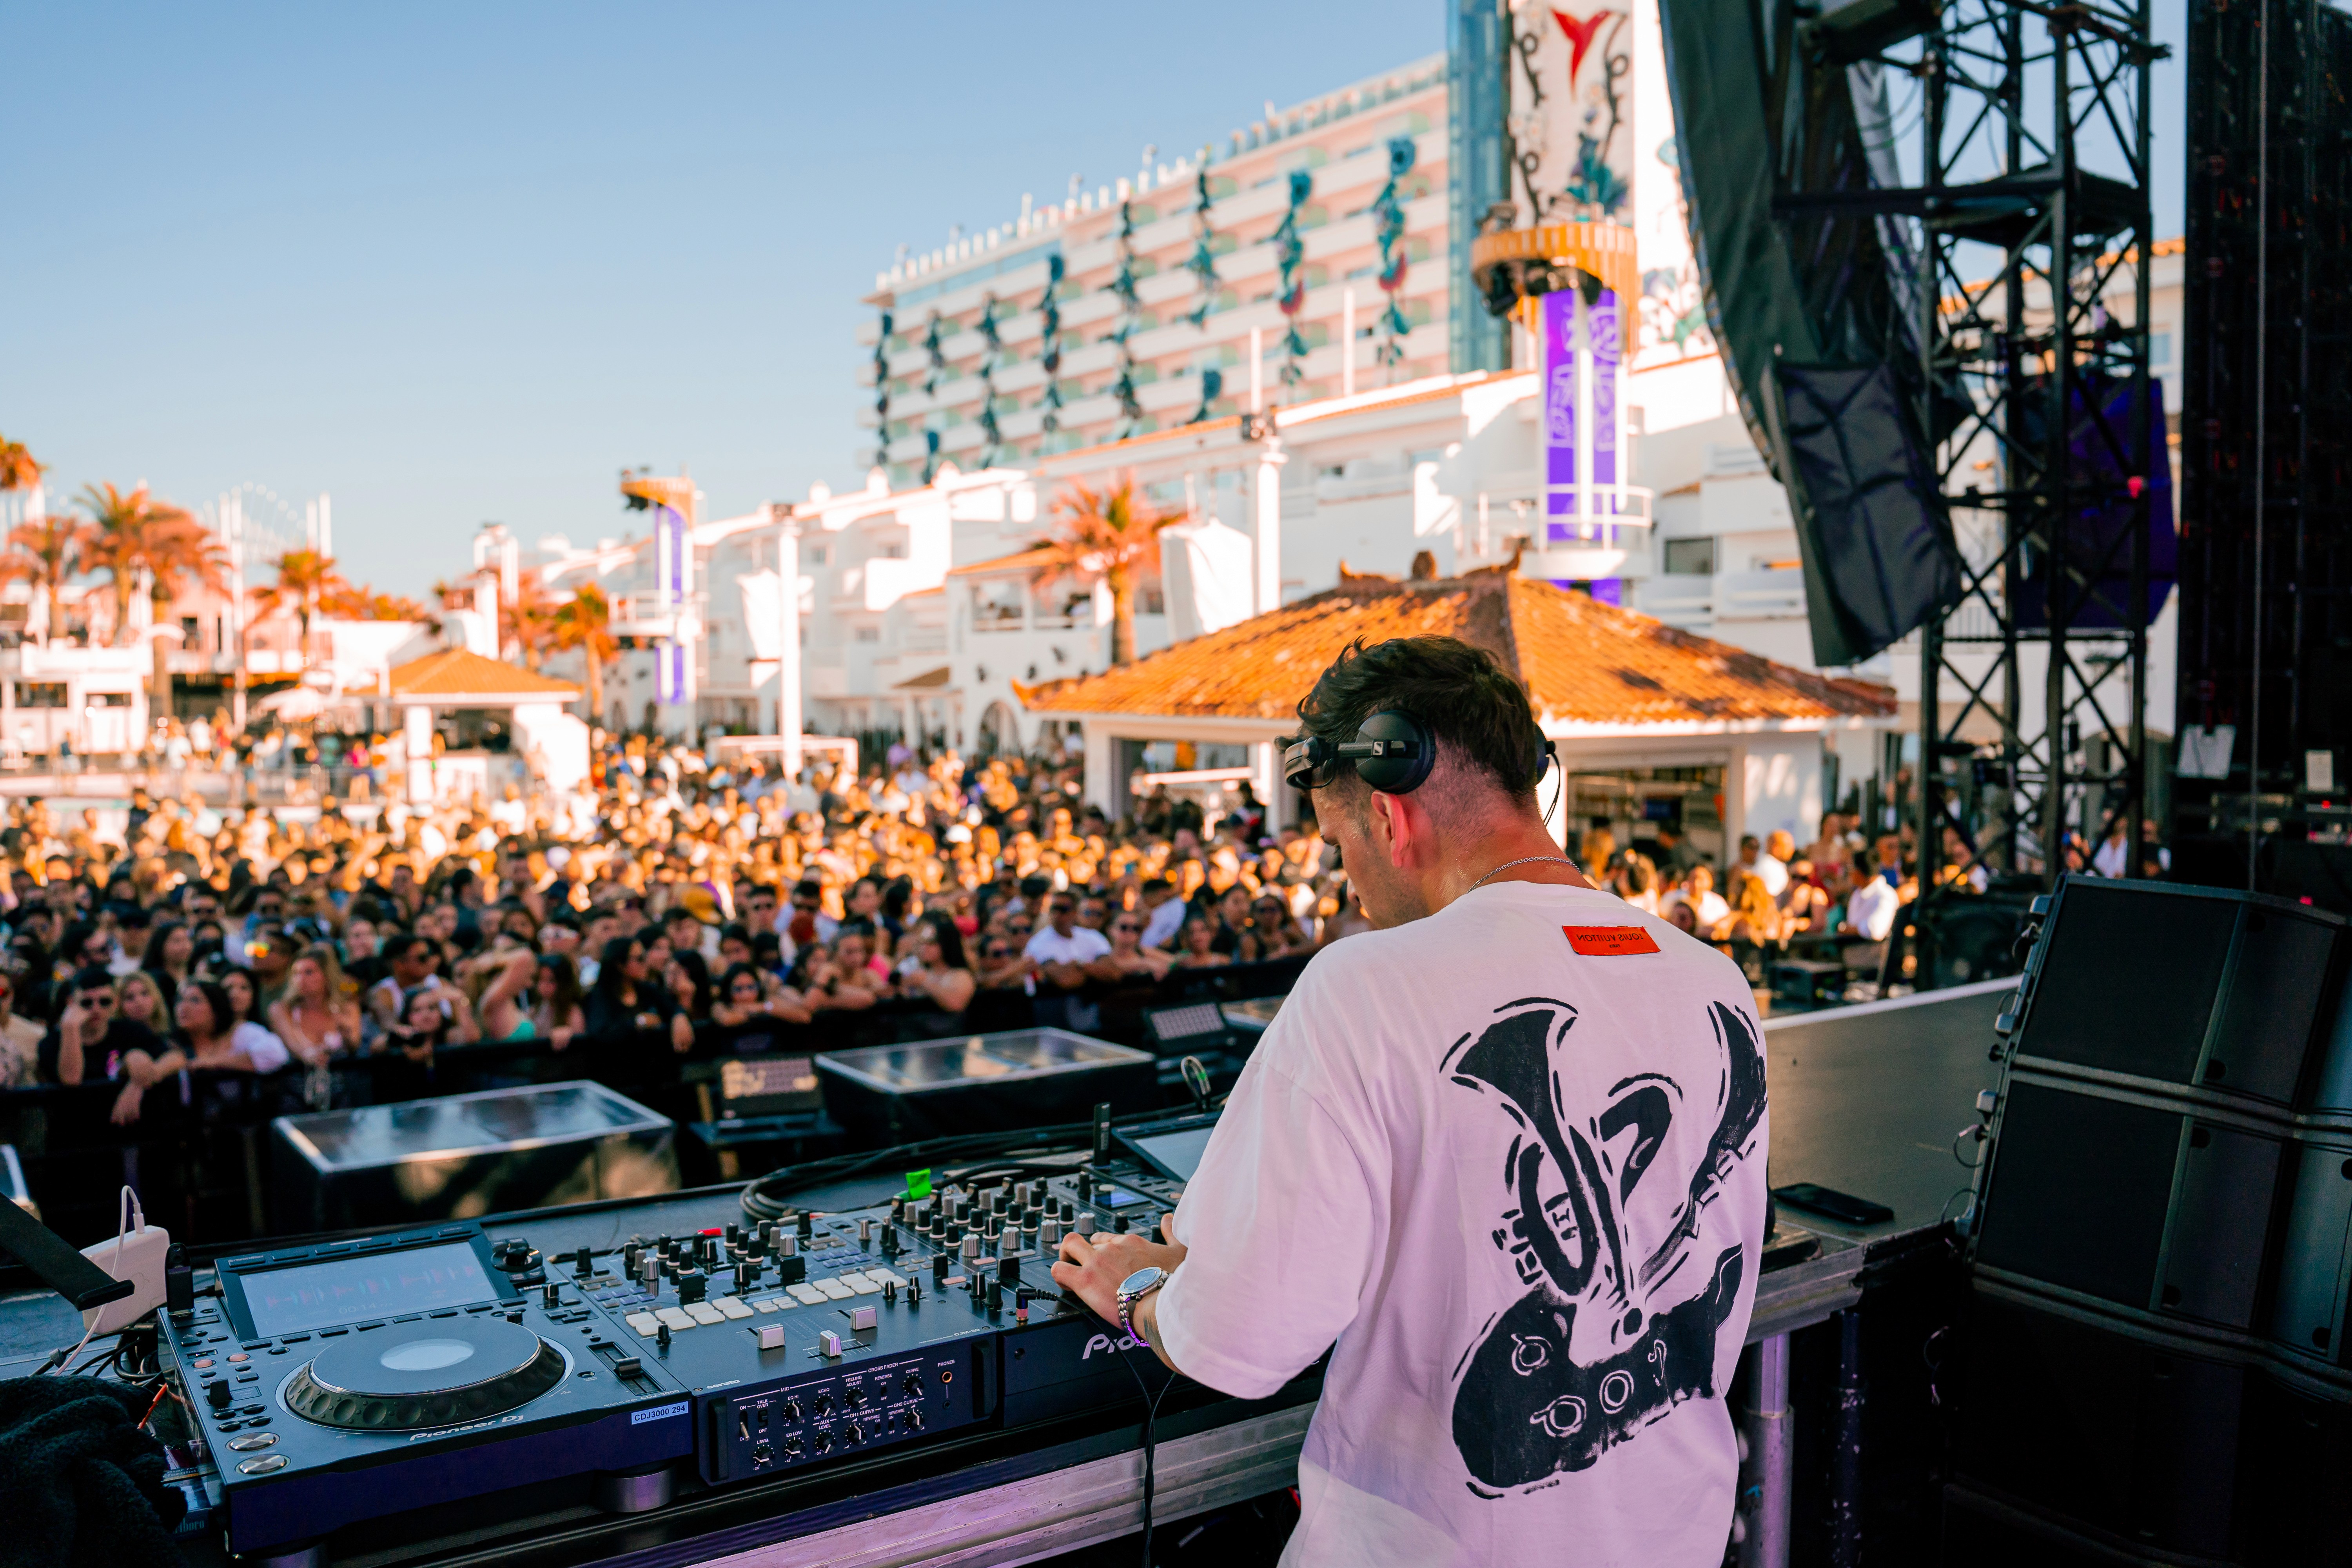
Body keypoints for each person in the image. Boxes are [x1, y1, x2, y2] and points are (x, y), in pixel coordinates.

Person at [1050, 635, 1767, 1568]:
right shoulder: (1715, 981)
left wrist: (1141, 1290)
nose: (1350, 878)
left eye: (1341, 843)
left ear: (1392, 814)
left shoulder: (1365, 984)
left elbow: (1239, 1342)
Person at [110, 980, 291, 1125]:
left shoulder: (240, 1033)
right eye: (181, 1000)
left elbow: (276, 1054)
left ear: (216, 1008)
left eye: (195, 1000)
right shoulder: (170, 1044)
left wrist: (215, 1061)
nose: (184, 1007)